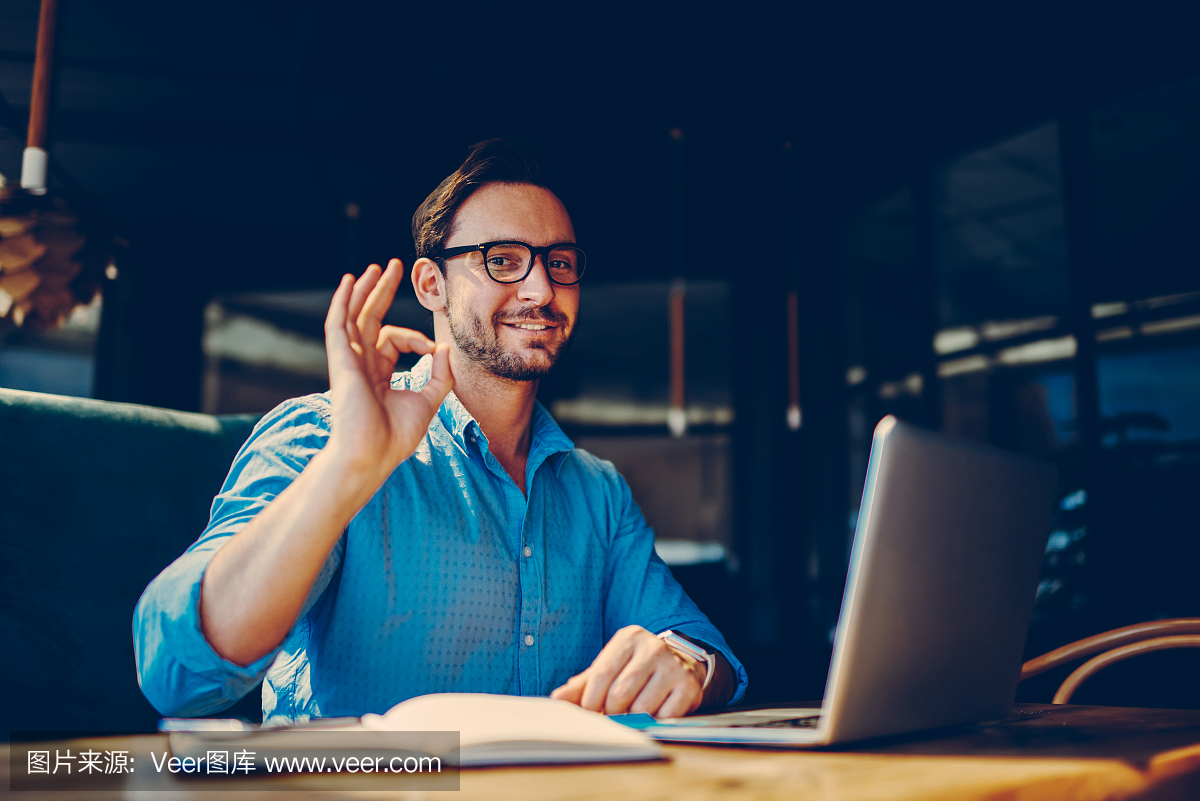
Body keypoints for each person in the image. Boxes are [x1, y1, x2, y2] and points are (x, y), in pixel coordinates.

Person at [134, 140, 747, 723]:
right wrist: (346, 466)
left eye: (559, 263)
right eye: (502, 260)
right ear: (432, 285)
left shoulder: (597, 493)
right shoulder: (322, 434)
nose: (541, 289)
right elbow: (176, 675)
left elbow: (705, 649)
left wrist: (685, 664)